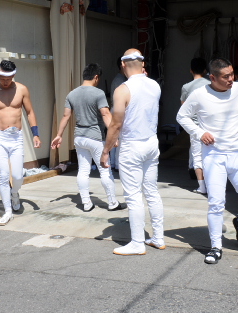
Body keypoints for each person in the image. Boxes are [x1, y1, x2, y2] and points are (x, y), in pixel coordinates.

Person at [176, 58, 238, 265]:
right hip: (214, 156)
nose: (231, 79)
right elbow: (182, 116)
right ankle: (215, 246)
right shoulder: (199, 94)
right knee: (216, 203)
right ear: (212, 78)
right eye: (226, 76)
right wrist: (199, 133)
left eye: (232, 74)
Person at [101, 49, 164, 255]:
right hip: (151, 142)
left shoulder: (122, 89)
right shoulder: (155, 85)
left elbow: (116, 124)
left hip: (132, 145)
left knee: (134, 195)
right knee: (152, 191)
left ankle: (137, 242)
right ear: (143, 64)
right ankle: (158, 237)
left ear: (123, 65)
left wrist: (106, 151)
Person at [0, 60, 42, 225]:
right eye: (2, 78)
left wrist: (35, 134)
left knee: (18, 176)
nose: (5, 82)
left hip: (16, 137)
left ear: (13, 75)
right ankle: (7, 211)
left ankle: (14, 193)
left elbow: (30, 112)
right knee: (4, 174)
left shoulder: (22, 89)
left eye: (8, 78)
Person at [51, 63, 124, 212]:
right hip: (96, 137)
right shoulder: (98, 93)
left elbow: (65, 116)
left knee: (83, 171)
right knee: (105, 170)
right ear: (96, 77)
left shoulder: (72, 94)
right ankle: (112, 203)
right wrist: (114, 135)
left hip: (79, 137)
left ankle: (86, 203)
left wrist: (59, 135)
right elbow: (106, 114)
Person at [180, 57, 210, 193]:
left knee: (197, 157)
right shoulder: (212, 84)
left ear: (191, 70)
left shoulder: (186, 87)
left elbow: (184, 109)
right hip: (211, 125)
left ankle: (202, 187)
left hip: (195, 127)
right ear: (205, 70)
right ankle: (213, 184)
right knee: (212, 156)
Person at [109, 57, 127, 172]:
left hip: (114, 109)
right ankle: (117, 164)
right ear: (122, 65)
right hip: (118, 109)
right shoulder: (120, 80)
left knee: (115, 136)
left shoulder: (119, 78)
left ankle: (113, 163)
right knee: (119, 138)